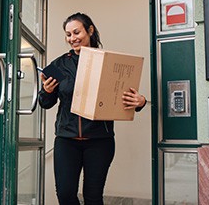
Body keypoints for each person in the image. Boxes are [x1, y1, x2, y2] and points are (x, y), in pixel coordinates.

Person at [38, 12, 147, 205]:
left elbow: (124, 95)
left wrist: (141, 101)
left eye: (76, 32)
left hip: (99, 141)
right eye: (68, 34)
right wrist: (46, 92)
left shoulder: (110, 61)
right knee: (65, 194)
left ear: (90, 30)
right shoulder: (58, 65)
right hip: (66, 140)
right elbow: (46, 103)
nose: (72, 38)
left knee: (93, 197)